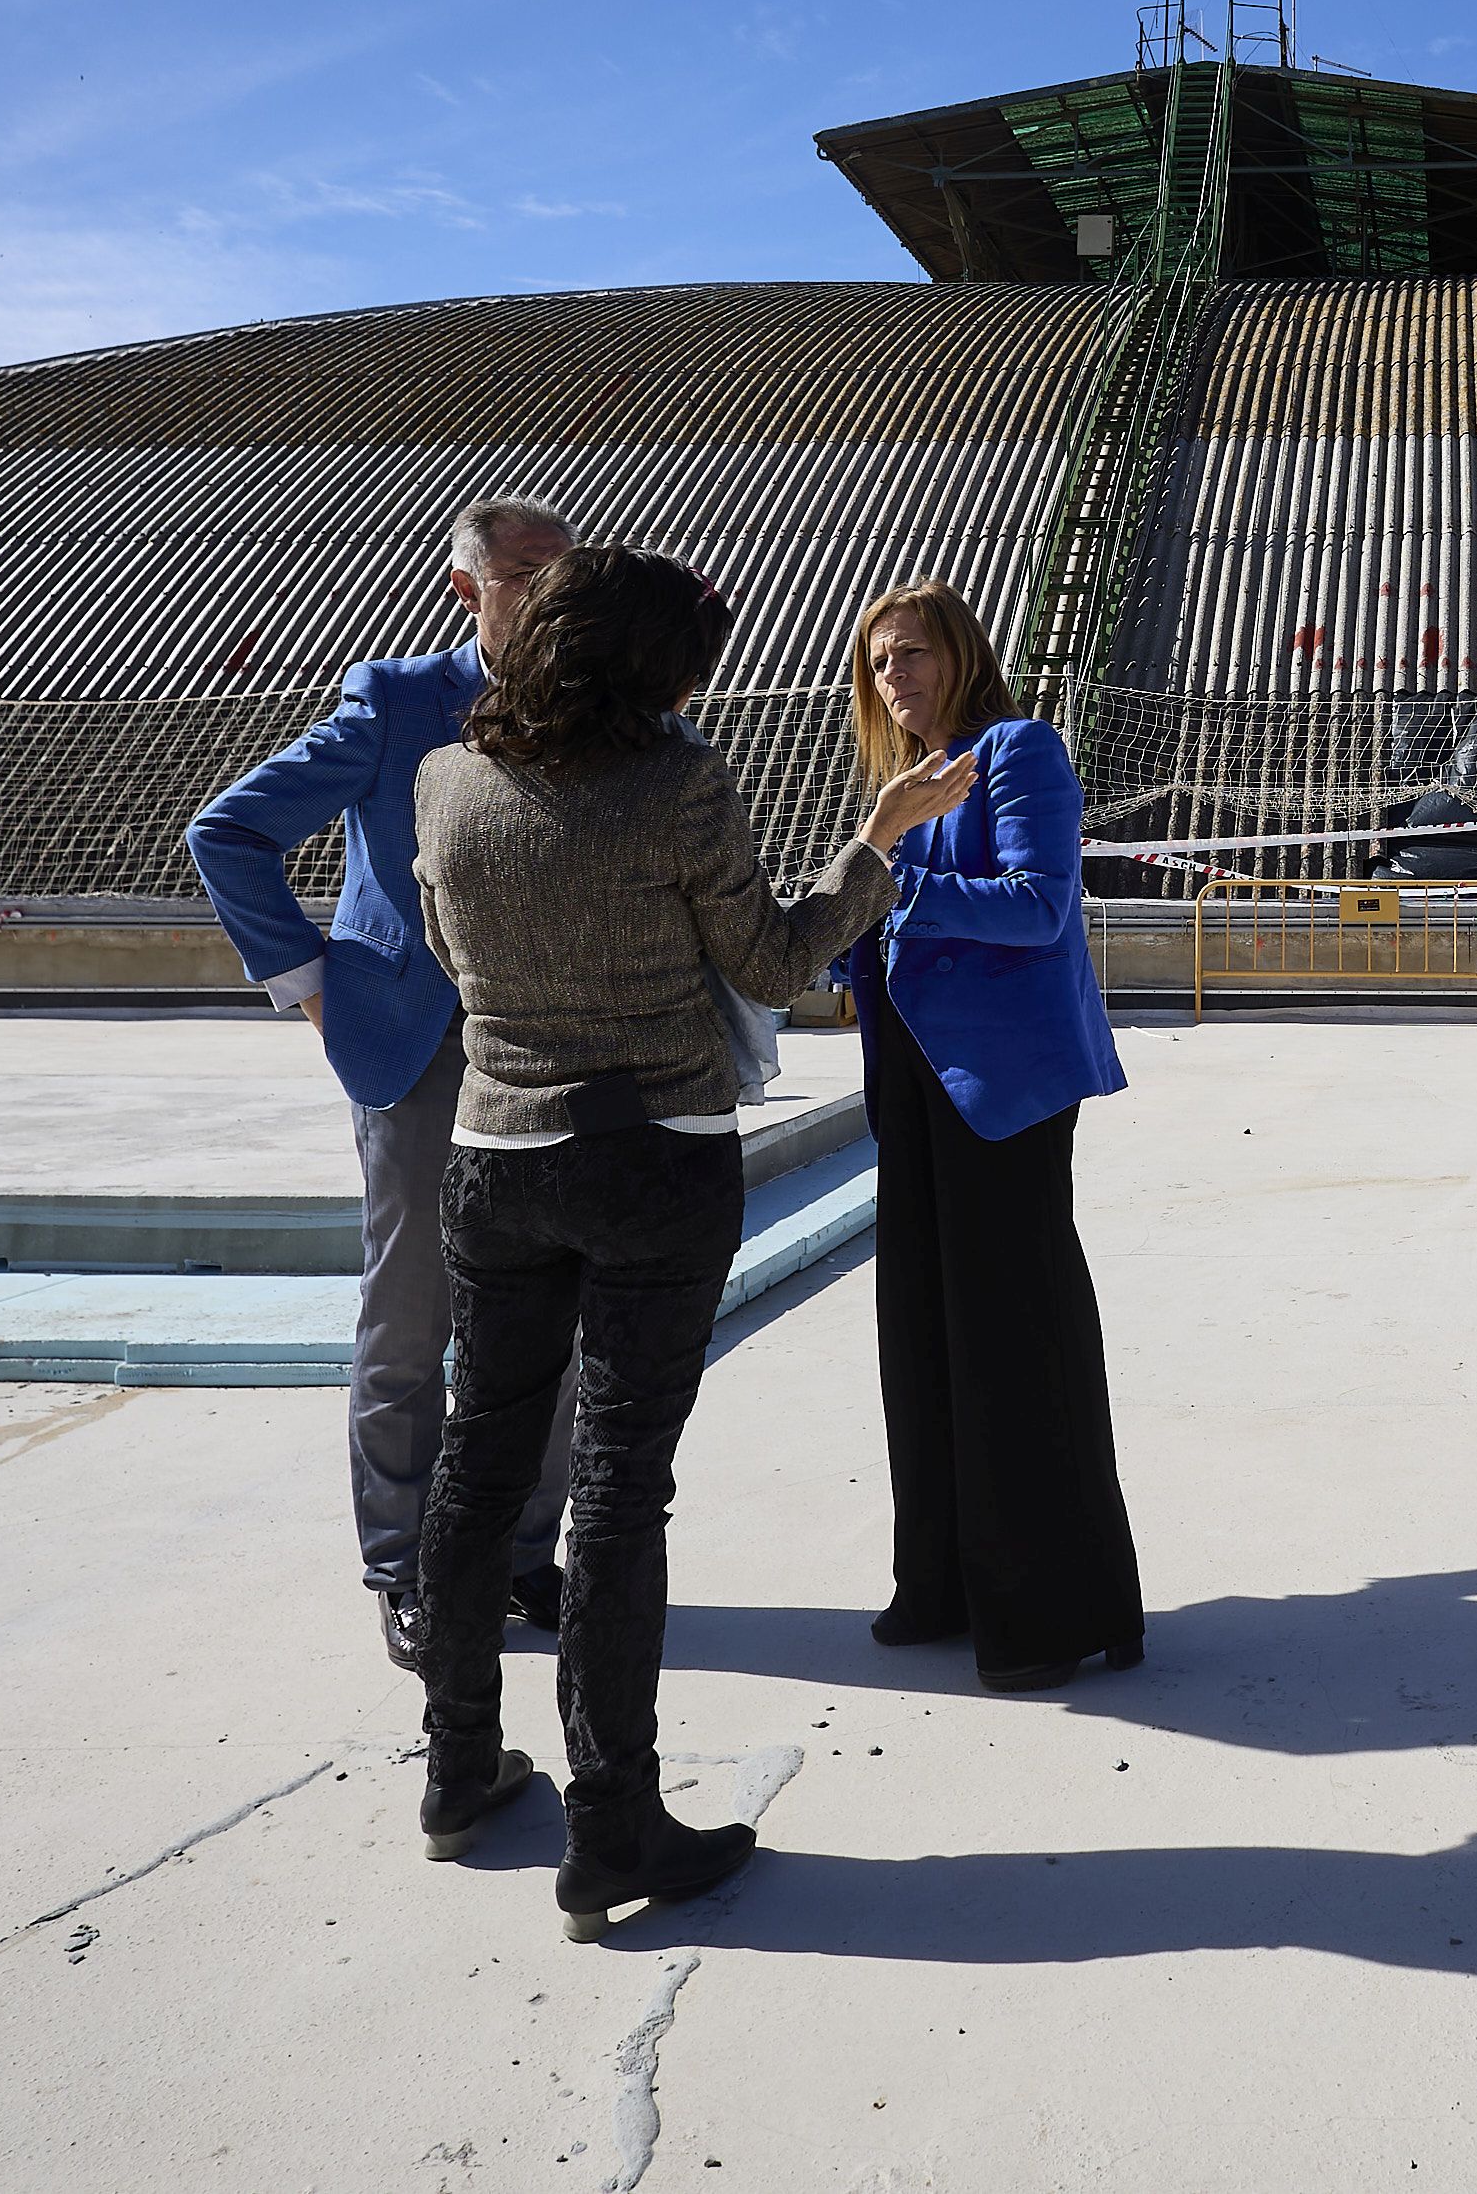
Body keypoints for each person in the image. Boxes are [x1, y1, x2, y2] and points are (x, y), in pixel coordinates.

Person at [408, 547, 975, 1937]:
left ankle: (460, 1771)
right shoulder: (678, 781)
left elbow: (446, 949)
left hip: (494, 1154)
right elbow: (776, 963)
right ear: (649, 666)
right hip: (650, 1154)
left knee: (481, 1462)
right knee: (614, 1487)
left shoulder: (446, 780)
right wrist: (877, 845)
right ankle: (613, 1822)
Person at [185, 496, 582, 1672]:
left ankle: (519, 1555)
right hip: (411, 1046)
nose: (549, 588)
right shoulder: (397, 699)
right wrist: (311, 984)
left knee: (545, 1321)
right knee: (411, 1318)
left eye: (564, 568)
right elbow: (228, 833)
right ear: (468, 589)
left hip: (544, 1048)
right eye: (523, 571)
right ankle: (403, 1567)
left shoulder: (593, 707)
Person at [842, 579, 1143, 1692]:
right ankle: (945, 1585)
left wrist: (889, 872)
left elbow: (1037, 905)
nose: (896, 678)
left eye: (913, 654)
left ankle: (1050, 1612)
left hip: (1003, 1091)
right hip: (916, 1083)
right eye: (879, 664)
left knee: (1014, 1341)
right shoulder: (904, 782)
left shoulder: (1019, 750)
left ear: (962, 653)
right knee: (923, 1333)